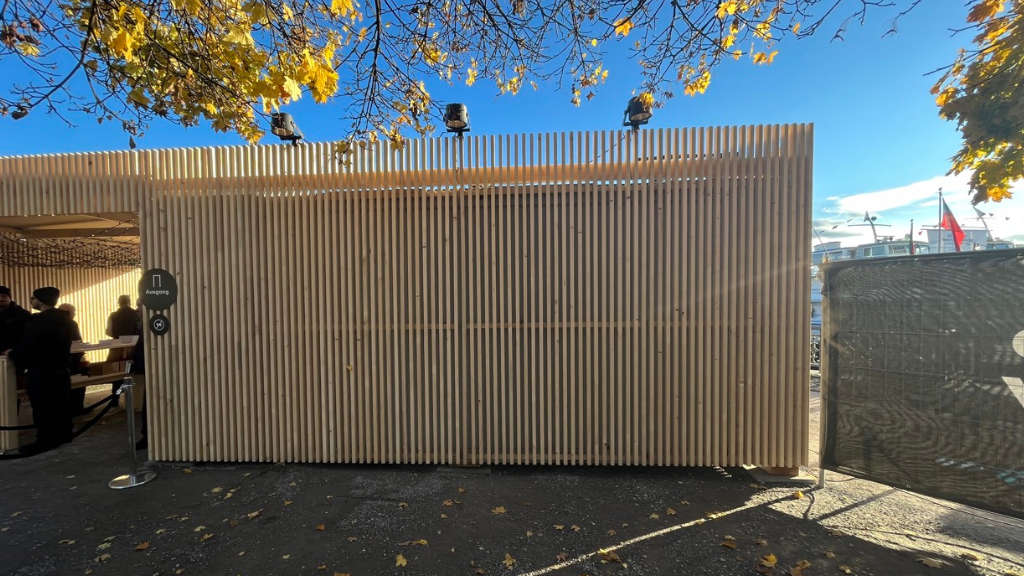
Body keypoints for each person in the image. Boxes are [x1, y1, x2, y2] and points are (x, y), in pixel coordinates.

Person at [4, 287, 74, 455]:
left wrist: (13, 353)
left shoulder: (39, 321)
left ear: (40, 301)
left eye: (32, 298)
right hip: (62, 368)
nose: (31, 301)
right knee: (60, 404)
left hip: (42, 370)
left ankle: (45, 440)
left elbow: (29, 345)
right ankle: (64, 434)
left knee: (43, 407)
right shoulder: (66, 320)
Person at [58, 303, 89, 414]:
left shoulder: (68, 323)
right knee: (78, 383)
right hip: (72, 358)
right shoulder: (70, 324)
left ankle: (75, 407)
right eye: (73, 312)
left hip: (69, 358)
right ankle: (77, 407)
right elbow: (77, 340)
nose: (74, 314)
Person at [0, 286, 32, 354]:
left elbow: (30, 336)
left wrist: (17, 350)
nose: (1, 298)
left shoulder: (23, 314)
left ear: (10, 298)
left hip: (17, 355)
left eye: (4, 296)